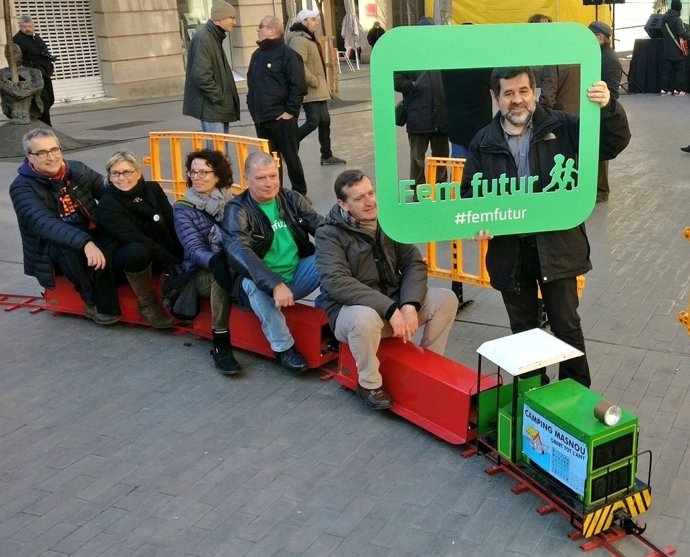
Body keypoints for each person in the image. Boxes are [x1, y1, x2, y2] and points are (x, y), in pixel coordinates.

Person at [460, 67, 631, 388]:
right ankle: (532, 397)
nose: (517, 100)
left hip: (558, 246)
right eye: (508, 93)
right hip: (510, 251)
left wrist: (608, 108)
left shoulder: (562, 126)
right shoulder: (483, 141)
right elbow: (469, 193)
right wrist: (478, 220)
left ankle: (576, 396)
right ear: (495, 97)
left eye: (523, 91)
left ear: (534, 92)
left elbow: (612, 143)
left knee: (566, 325)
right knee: (523, 330)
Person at [315, 169, 458, 410]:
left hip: (394, 307)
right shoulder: (328, 234)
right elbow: (337, 282)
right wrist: (391, 308)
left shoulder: (387, 222)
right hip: (351, 316)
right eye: (359, 198)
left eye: (371, 193)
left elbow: (413, 262)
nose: (370, 201)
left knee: (445, 299)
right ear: (343, 204)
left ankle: (429, 364)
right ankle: (369, 383)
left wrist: (410, 304)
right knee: (365, 318)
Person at [223, 152, 323, 373]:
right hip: (264, 287)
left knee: (330, 260)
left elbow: (323, 229)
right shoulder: (237, 209)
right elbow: (238, 250)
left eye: (273, 176)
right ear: (246, 178)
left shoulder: (291, 199)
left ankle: (328, 318)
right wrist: (274, 283)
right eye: (260, 178)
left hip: (296, 275)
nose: (269, 184)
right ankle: (283, 348)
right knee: (252, 283)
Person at [9, 128, 120, 325]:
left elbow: (109, 194)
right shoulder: (21, 187)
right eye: (42, 153)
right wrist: (86, 243)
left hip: (88, 231)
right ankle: (90, 301)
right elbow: (45, 225)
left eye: (55, 150)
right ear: (29, 157)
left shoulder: (78, 170)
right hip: (50, 248)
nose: (51, 157)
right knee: (65, 247)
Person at [96, 151, 182, 329]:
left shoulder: (152, 189)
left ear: (138, 172)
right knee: (137, 250)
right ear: (109, 177)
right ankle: (147, 304)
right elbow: (136, 238)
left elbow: (171, 222)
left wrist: (183, 254)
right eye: (115, 173)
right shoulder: (107, 204)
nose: (121, 178)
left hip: (156, 249)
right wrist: (171, 262)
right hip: (121, 258)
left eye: (127, 172)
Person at [174, 149, 241, 374]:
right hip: (198, 272)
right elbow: (193, 249)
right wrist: (214, 261)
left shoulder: (232, 200)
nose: (197, 177)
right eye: (193, 172)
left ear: (218, 175)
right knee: (218, 275)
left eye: (204, 172)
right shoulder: (183, 208)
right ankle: (221, 344)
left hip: (232, 261)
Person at [247, 16, 309, 196]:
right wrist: (251, 106)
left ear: (272, 30)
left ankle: (299, 194)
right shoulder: (257, 55)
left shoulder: (288, 54)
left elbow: (298, 85)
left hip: (281, 119)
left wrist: (290, 111)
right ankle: (275, 193)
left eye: (261, 26)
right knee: (269, 161)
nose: (257, 30)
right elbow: (253, 84)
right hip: (261, 119)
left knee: (291, 158)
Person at [286, 9, 346, 166]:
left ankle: (326, 155)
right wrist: (313, 81)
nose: (317, 22)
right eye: (313, 19)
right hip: (311, 89)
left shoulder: (308, 38)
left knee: (325, 121)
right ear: (303, 22)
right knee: (313, 122)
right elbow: (298, 65)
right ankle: (287, 147)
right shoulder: (298, 40)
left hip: (319, 89)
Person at [394, 17, 449, 186]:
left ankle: (440, 187)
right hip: (418, 115)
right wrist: (411, 85)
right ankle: (418, 188)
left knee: (441, 157)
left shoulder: (443, 54)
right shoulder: (409, 55)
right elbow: (396, 79)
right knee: (417, 157)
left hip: (441, 115)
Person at [182, 0, 240, 134]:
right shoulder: (204, 39)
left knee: (218, 152)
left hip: (216, 107)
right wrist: (217, 97)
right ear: (220, 18)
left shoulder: (213, 37)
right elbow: (201, 75)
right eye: (231, 18)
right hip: (212, 108)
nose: (235, 22)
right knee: (216, 152)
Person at [589, 21, 623, 203]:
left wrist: (604, 105)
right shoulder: (599, 55)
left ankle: (601, 191)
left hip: (602, 111)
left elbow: (613, 92)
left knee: (599, 155)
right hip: (597, 108)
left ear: (600, 38)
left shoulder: (609, 59)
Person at [13, 15, 56, 126]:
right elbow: (18, 59)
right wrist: (31, 67)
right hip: (33, 75)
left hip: (45, 72)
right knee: (43, 101)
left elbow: (43, 51)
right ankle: (46, 126)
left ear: (34, 26)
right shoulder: (17, 39)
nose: (27, 28)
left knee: (50, 99)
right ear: (20, 26)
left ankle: (39, 121)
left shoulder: (36, 37)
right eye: (24, 26)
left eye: (29, 26)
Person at [660, 0, 689, 96]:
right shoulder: (677, 19)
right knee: (680, 70)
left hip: (666, 49)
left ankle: (664, 89)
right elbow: (681, 33)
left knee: (666, 70)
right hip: (677, 50)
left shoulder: (664, 19)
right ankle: (678, 90)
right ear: (679, 8)